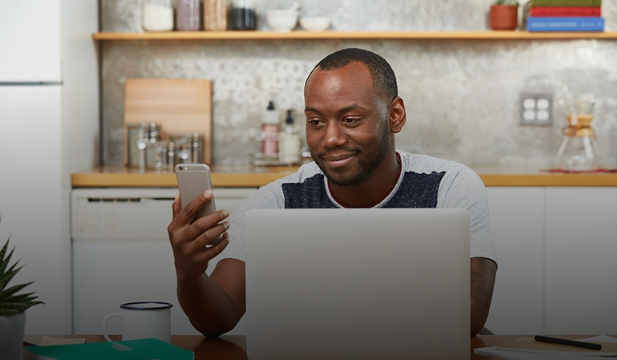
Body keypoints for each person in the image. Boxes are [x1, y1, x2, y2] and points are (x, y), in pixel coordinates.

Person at [167, 48, 498, 338]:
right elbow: (218, 319)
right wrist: (189, 274)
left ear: (395, 115)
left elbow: (469, 316)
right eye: (316, 122)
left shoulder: (449, 186)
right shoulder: (276, 202)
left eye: (351, 119)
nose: (330, 139)